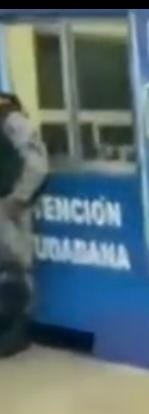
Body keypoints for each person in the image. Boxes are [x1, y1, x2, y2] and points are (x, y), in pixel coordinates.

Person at [0, 92, 48, 358]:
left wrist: (18, 198)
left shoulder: (10, 117)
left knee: (16, 267)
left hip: (7, 206)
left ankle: (17, 334)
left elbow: (37, 165)